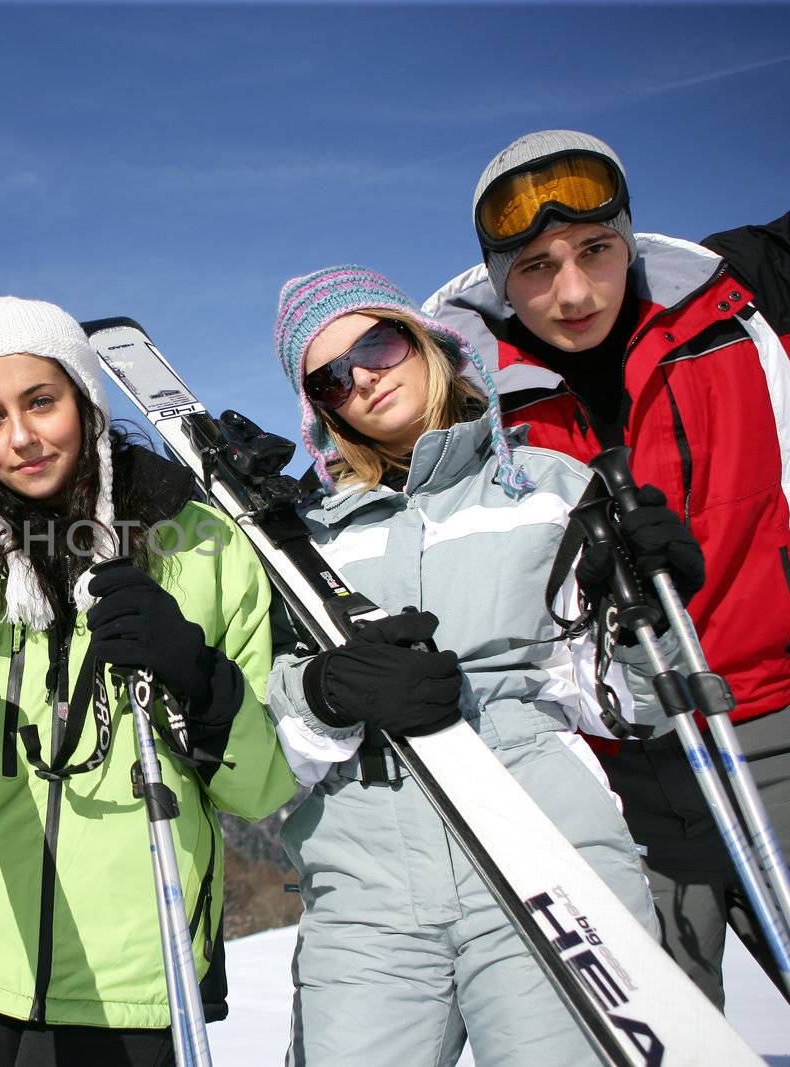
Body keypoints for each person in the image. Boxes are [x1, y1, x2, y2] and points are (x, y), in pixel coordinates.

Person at [266, 266, 697, 1066]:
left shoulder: (549, 489)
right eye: (329, 377)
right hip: (367, 886)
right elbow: (274, 734)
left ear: (426, 340)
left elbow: (627, 703)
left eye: (377, 342)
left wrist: (649, 616)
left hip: (544, 850)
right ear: (318, 410)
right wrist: (328, 691)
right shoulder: (303, 544)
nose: (362, 376)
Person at [0, 296, 295, 1066]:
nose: (20, 437)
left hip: (138, 978)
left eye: (40, 402)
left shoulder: (201, 544)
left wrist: (199, 680)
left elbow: (261, 789)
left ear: (86, 400)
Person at [424, 129, 790, 1006]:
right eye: (536, 267)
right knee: (654, 1022)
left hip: (774, 716)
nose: (574, 290)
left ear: (630, 239)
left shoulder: (745, 297)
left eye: (595, 250)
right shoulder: (464, 392)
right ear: (499, 280)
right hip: (613, 767)